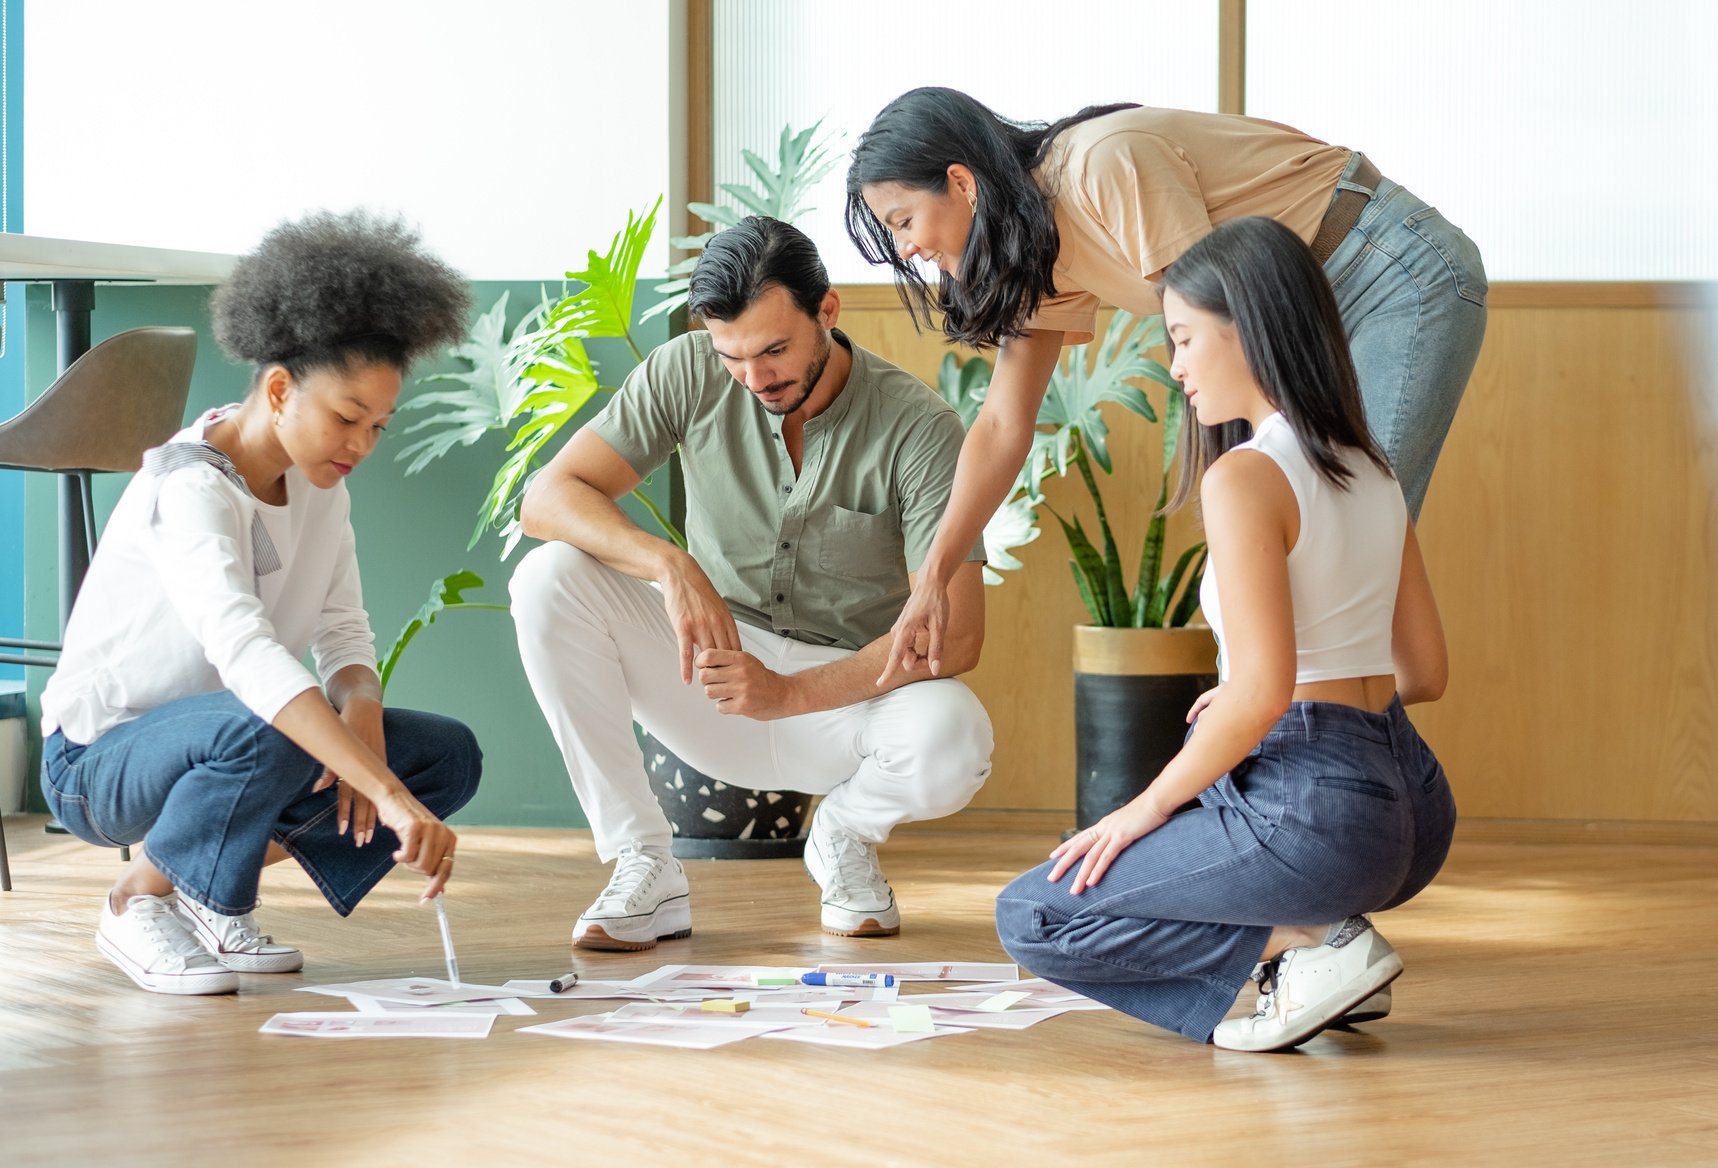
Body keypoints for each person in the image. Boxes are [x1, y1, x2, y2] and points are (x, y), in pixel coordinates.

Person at [994, 217, 1456, 1051]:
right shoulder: (1370, 467)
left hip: (1320, 818)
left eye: (1181, 338)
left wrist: (1134, 813)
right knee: (1218, 739)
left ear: (1244, 327)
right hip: (1410, 814)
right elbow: (1421, 671)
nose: (1173, 368)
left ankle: (1314, 944)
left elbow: (1263, 694)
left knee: (1032, 914)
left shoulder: (1246, 475)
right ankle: (1315, 960)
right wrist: (1259, 689)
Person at [846, 88, 1486, 682]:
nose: (904, 249)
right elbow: (1003, 423)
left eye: (903, 222)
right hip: (1296, 320)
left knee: (1346, 542)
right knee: (1312, 559)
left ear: (961, 182)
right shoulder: (1035, 247)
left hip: (1386, 273)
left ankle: (1346, 756)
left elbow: (1218, 331)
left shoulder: (1102, 164)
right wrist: (932, 578)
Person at [511, 215, 993, 948]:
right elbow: (546, 499)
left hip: (846, 704)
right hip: (712, 681)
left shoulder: (918, 427)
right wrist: (670, 564)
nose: (755, 378)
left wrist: (792, 693)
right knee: (548, 578)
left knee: (955, 733)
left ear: (826, 312)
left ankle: (841, 835)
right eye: (732, 356)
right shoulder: (686, 370)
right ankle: (644, 861)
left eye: (774, 349)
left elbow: (955, 636)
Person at [40, 211, 484, 996]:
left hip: (231, 744)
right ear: (278, 389)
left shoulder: (320, 486)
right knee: (273, 718)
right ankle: (137, 898)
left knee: (442, 755)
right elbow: (246, 655)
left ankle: (199, 887)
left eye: (378, 425)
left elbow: (344, 632)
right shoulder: (189, 486)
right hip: (97, 762)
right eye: (346, 418)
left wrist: (368, 732)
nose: (361, 445)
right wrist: (380, 792)